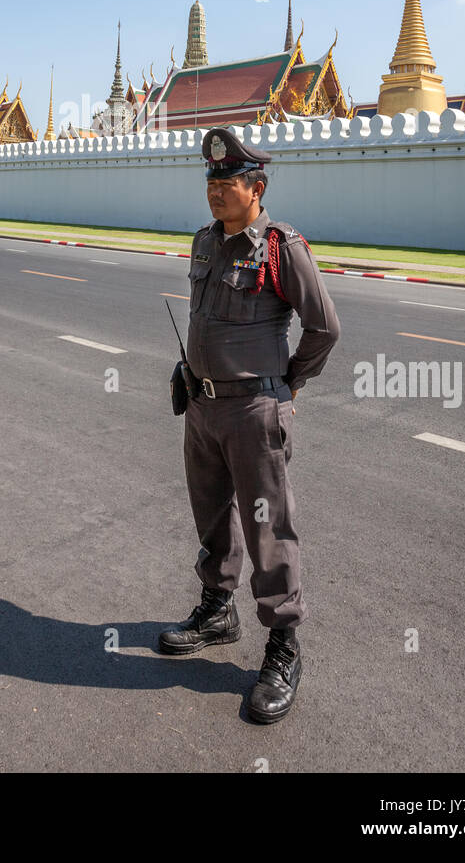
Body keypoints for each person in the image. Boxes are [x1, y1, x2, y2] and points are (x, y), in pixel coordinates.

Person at [158, 125, 341, 725]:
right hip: (203, 407)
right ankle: (217, 609)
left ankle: (284, 644)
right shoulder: (205, 242)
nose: (215, 190)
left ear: (256, 188)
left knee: (269, 529)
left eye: (227, 181)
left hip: (255, 412)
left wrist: (286, 383)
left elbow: (324, 328)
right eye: (210, 180)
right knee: (212, 516)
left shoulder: (281, 247)